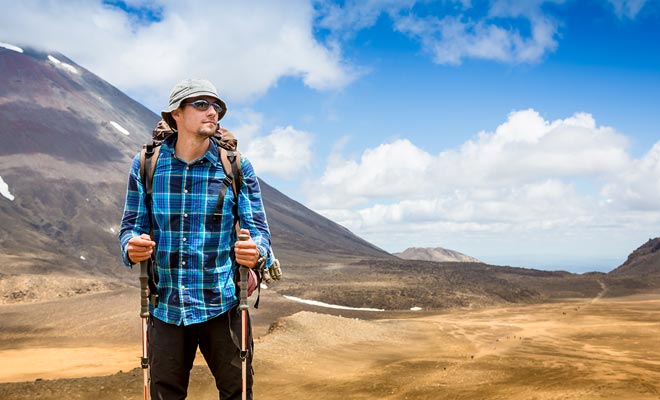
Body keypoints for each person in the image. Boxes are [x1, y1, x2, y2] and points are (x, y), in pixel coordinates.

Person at [118, 78, 273, 400]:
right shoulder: (147, 164)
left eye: (217, 106)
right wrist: (130, 247)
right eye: (201, 104)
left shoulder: (235, 166)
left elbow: (259, 230)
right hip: (166, 307)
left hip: (225, 304)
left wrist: (257, 250)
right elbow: (130, 226)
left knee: (238, 393)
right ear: (176, 113)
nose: (212, 112)